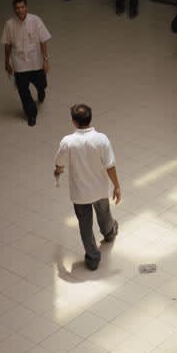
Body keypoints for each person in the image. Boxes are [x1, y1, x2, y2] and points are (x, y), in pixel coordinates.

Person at [54, 104, 121, 271]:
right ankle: (109, 233)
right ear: (90, 119)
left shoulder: (68, 142)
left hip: (80, 194)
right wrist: (117, 186)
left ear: (73, 121)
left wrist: (58, 170)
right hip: (99, 189)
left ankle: (92, 258)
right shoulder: (101, 139)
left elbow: (59, 163)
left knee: (85, 225)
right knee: (104, 213)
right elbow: (110, 165)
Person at [1, 0, 52, 127]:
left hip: (36, 62)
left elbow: (43, 41)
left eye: (22, 7)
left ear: (26, 7)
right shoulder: (9, 24)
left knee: (42, 84)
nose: (20, 10)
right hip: (20, 64)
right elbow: (7, 45)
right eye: (17, 8)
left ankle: (41, 91)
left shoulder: (35, 20)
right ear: (14, 9)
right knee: (23, 91)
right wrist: (7, 62)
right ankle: (31, 114)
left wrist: (46, 60)